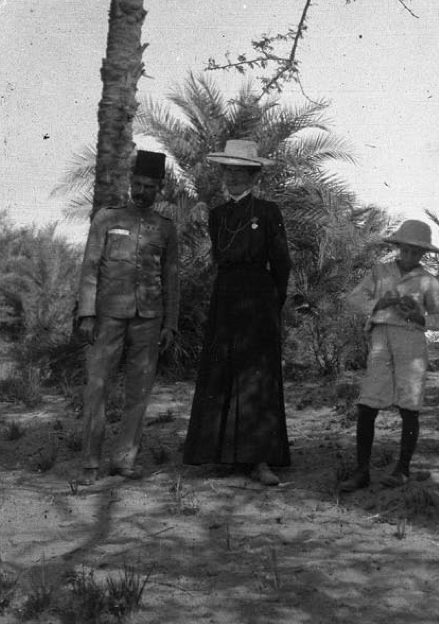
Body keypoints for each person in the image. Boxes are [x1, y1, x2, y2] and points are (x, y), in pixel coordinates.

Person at [183, 139, 292, 486]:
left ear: (254, 176)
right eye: (228, 171)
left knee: (257, 376)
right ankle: (222, 454)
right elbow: (219, 257)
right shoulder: (217, 216)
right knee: (222, 371)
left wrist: (273, 301)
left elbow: (282, 263)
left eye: (241, 172)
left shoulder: (268, 212)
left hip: (259, 297)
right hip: (225, 296)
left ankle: (259, 459)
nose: (233, 178)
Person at [75, 149, 180, 485]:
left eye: (149, 186)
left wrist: (170, 323)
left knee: (139, 390)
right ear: (129, 183)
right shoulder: (106, 219)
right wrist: (87, 313)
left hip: (148, 318)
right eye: (137, 184)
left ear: (159, 188)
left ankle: (124, 460)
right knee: (97, 386)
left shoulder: (165, 228)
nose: (141, 191)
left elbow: (172, 279)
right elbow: (90, 267)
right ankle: (91, 461)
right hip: (108, 317)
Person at [341, 220, 439, 491]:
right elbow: (353, 299)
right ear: (399, 247)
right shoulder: (380, 271)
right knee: (367, 404)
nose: (411, 255)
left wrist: (418, 315)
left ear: (424, 253)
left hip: (411, 343)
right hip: (381, 340)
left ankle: (402, 469)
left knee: (409, 406)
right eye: (407, 249)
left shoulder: (428, 280)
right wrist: (379, 303)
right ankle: (361, 471)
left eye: (417, 252)